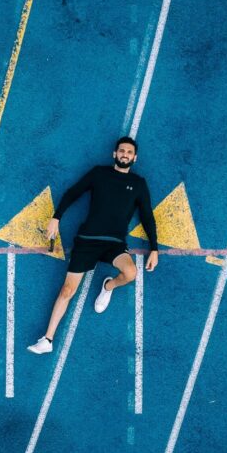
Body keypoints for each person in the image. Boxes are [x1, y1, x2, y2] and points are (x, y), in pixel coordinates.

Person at [27, 136, 159, 354]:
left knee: (131, 272)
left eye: (129, 152)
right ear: (114, 154)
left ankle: (108, 287)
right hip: (87, 240)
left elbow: (147, 216)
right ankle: (47, 340)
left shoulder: (138, 184)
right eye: (121, 151)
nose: (125, 154)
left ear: (134, 157)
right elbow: (73, 192)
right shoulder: (99, 173)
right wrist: (56, 217)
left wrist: (154, 248)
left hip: (114, 244)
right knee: (67, 290)